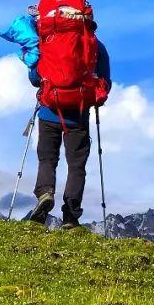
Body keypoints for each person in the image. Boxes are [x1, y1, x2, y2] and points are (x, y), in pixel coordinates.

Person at [27, 40, 111, 229]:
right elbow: (105, 83)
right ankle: (70, 217)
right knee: (76, 166)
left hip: (49, 111)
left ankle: (45, 193)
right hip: (78, 116)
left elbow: (34, 78)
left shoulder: (47, 40)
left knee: (47, 159)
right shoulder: (96, 46)